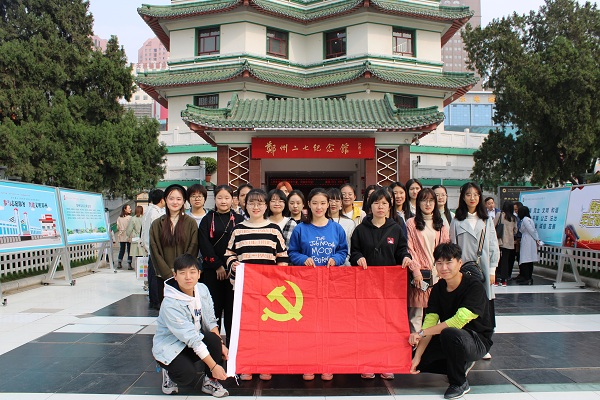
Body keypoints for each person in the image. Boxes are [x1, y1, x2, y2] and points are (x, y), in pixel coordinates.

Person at [409, 242, 493, 400]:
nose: (444, 268)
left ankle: (459, 383)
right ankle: (460, 364)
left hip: (477, 340)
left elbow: (457, 322)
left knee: (450, 333)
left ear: (459, 263)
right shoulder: (438, 289)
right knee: (414, 359)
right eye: (439, 263)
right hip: (451, 339)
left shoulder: (474, 286)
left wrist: (420, 333)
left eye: (449, 262)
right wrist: (417, 356)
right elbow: (429, 322)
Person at [225, 188, 289, 381]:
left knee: (267, 328)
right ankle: (247, 365)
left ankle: (265, 364)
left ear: (266, 206)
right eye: (251, 203)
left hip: (269, 291)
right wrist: (232, 265)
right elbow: (229, 254)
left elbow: (282, 257)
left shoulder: (273, 229)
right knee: (247, 328)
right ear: (245, 205)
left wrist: (278, 277)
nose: (256, 207)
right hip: (244, 290)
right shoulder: (238, 230)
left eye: (260, 203)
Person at [350, 188, 412, 380]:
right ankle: (367, 363)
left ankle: (386, 363)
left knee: (388, 325)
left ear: (389, 206)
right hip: (366, 286)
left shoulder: (396, 229)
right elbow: (354, 252)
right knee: (367, 325)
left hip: (389, 287)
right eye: (376, 203)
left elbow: (402, 250)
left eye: (384, 203)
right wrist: (358, 258)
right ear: (370, 206)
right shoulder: (360, 230)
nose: (380, 207)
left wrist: (406, 257)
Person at [288, 187, 348, 382]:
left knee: (329, 325)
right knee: (308, 326)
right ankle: (308, 363)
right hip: (306, 285)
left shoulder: (336, 228)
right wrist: (302, 259)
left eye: (322, 203)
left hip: (331, 285)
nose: (319, 207)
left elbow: (343, 251)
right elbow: (292, 252)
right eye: (315, 203)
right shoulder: (300, 229)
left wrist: (336, 259)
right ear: (309, 205)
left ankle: (326, 363)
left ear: (328, 204)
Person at [152, 254, 229, 397]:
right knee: (186, 376)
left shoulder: (202, 289)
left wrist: (220, 345)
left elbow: (211, 321)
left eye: (192, 272)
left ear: (199, 274)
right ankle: (168, 370)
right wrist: (214, 366)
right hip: (171, 346)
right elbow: (193, 339)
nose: (188, 277)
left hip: (193, 339)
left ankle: (210, 381)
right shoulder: (170, 303)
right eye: (182, 273)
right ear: (175, 276)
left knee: (214, 340)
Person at [449, 182, 499, 361]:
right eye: (468, 194)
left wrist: (492, 269)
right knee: (464, 307)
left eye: (476, 194)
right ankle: (466, 343)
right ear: (463, 197)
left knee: (483, 308)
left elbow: (493, 245)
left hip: (482, 269)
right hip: (462, 270)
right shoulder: (456, 220)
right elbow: (452, 247)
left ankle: (483, 345)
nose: (472, 198)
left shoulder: (486, 220)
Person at [198, 185, 245, 347]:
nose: (223, 201)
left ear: (233, 199)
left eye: (227, 198)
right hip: (213, 272)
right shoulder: (207, 219)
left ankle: (233, 348)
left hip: (234, 272)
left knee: (233, 312)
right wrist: (217, 265)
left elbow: (242, 245)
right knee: (213, 311)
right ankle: (214, 348)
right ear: (215, 199)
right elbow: (204, 244)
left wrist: (231, 266)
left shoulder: (239, 220)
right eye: (220, 198)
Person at [406, 188, 450, 333]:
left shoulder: (441, 224)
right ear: (418, 203)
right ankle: (415, 342)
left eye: (431, 201)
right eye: (424, 200)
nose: (428, 204)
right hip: (420, 275)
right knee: (416, 313)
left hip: (438, 274)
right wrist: (416, 271)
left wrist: (441, 269)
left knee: (436, 312)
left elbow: (445, 248)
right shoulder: (411, 223)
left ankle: (432, 342)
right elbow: (410, 249)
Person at [150, 184, 199, 305]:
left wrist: (181, 272)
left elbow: (193, 246)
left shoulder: (190, 223)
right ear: (165, 200)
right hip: (163, 277)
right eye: (171, 198)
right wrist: (168, 273)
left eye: (178, 199)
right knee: (167, 308)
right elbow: (154, 249)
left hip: (185, 276)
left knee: (185, 308)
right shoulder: (157, 224)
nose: (175, 202)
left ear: (183, 201)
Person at [142, 189, 166, 310]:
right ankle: (156, 301)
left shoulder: (148, 211)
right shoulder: (156, 213)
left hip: (150, 247)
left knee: (152, 275)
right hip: (155, 248)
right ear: (162, 200)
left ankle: (153, 300)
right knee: (156, 276)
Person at [327, 187, 356, 266]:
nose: (333, 204)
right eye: (330, 200)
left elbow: (351, 246)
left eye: (337, 201)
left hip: (344, 265)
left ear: (341, 203)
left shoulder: (349, 223)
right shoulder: (320, 221)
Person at [496, 201, 518, 286]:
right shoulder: (513, 218)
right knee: (505, 260)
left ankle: (496, 278)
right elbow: (515, 231)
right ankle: (504, 280)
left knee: (497, 259)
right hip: (509, 242)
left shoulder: (500, 215)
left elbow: (493, 225)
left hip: (499, 240)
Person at [517, 206, 540, 285]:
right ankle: (528, 278)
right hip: (529, 240)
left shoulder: (525, 220)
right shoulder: (529, 219)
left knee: (526, 259)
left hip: (527, 240)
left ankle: (527, 278)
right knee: (529, 260)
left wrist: (536, 238)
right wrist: (536, 238)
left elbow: (531, 230)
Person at [126, 206, 146, 270]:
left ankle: (137, 267)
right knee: (143, 253)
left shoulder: (133, 219)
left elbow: (129, 229)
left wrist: (128, 235)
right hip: (143, 237)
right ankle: (142, 267)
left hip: (135, 238)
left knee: (137, 254)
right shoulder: (144, 218)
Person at [116, 204, 132, 269]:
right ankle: (129, 264)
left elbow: (117, 227)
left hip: (121, 234)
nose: (130, 209)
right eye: (129, 208)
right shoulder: (130, 218)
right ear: (125, 209)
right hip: (128, 235)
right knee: (129, 250)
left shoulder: (119, 218)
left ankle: (119, 262)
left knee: (122, 249)